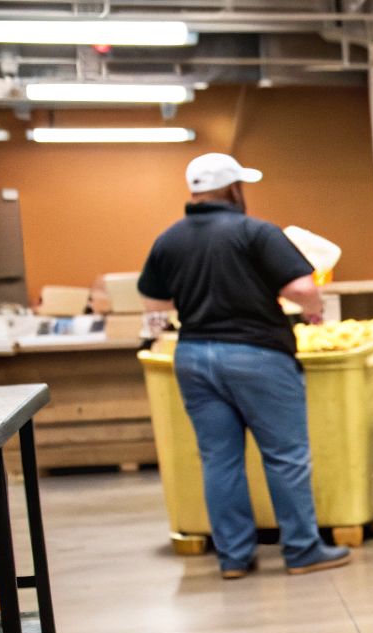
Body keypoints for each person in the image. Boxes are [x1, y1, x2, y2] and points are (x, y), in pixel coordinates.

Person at [138, 153, 354, 579]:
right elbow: (301, 287)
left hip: (194, 356)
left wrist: (182, 310)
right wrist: (313, 311)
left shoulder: (169, 239)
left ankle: (234, 558)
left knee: (219, 459)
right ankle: (302, 550)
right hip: (257, 354)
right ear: (234, 189)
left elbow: (154, 303)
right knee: (285, 456)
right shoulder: (255, 231)